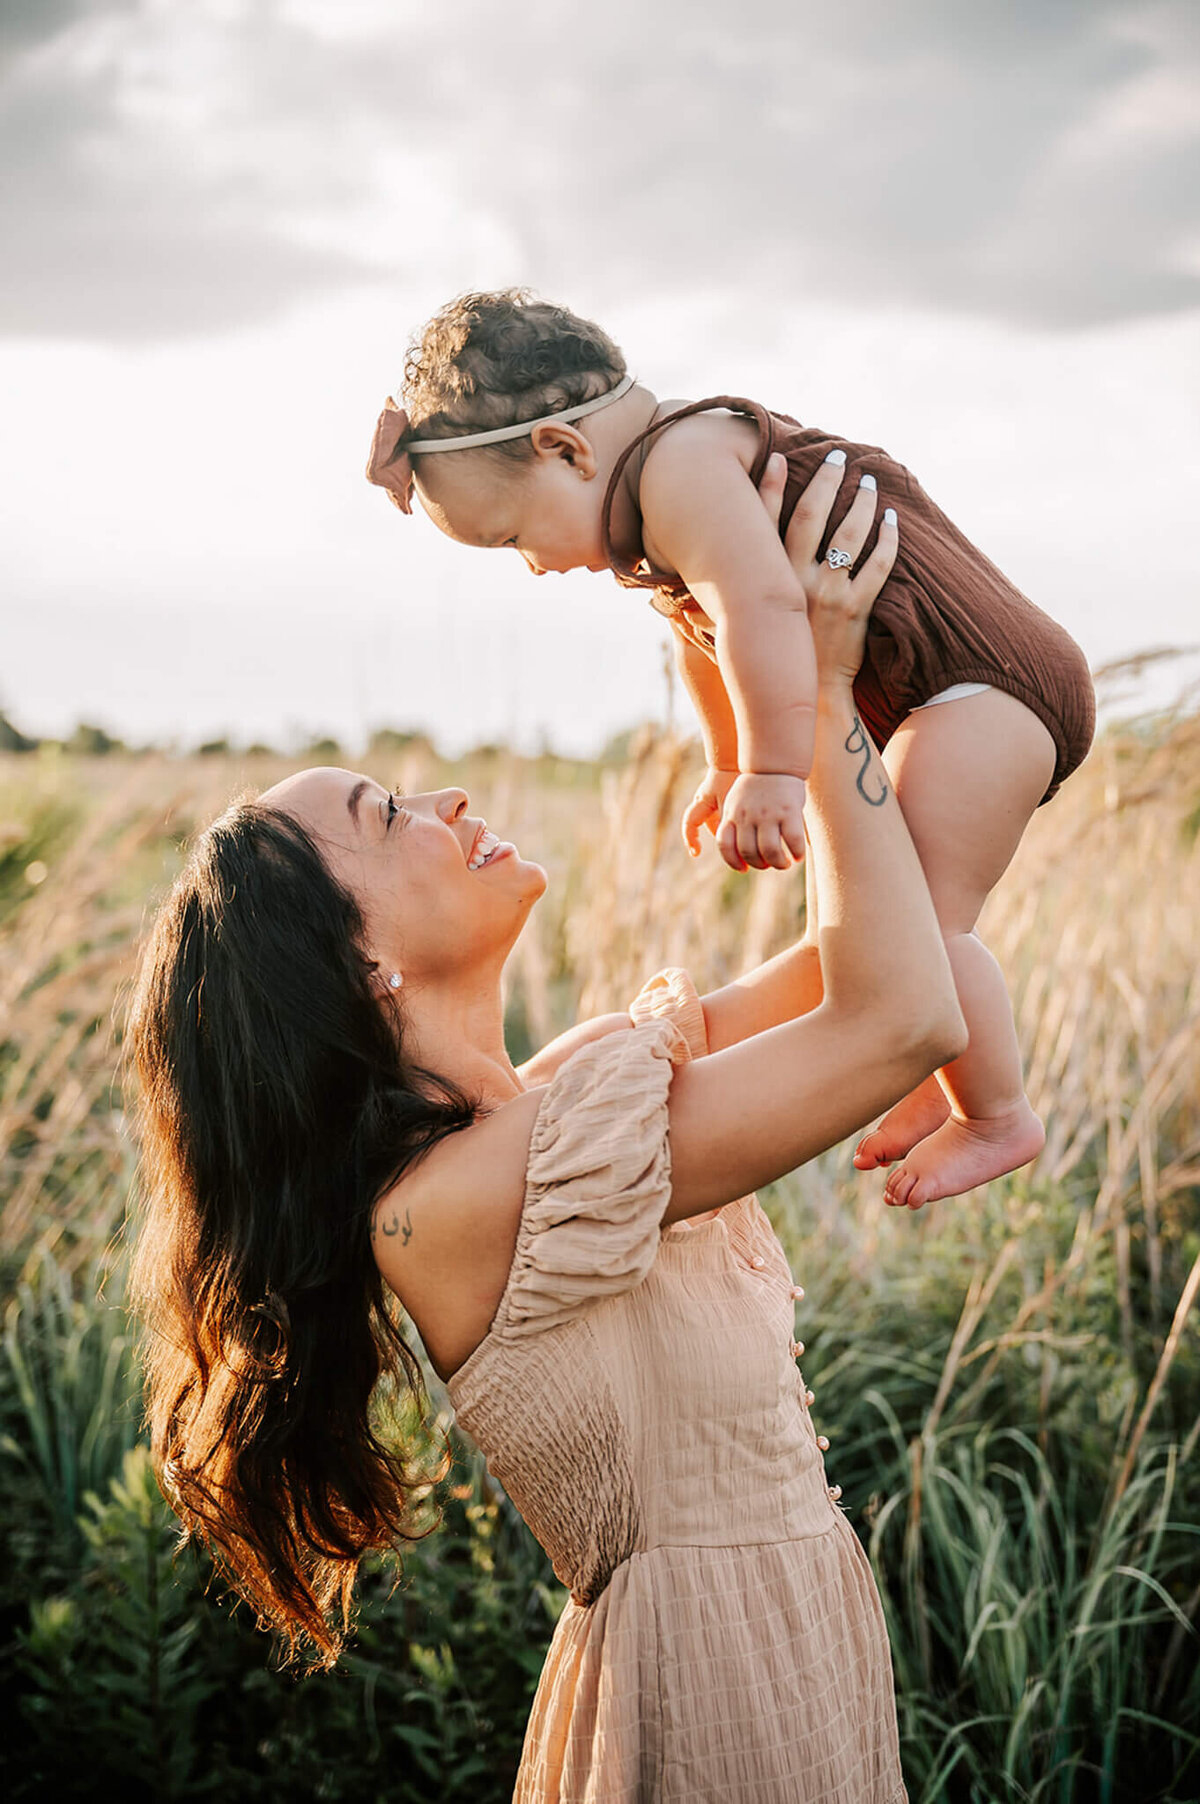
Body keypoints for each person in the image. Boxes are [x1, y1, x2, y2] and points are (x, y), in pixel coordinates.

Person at [129, 460, 965, 1803]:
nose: (446, 804)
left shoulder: (573, 1093)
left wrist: (770, 638)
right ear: (358, 964)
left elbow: (890, 944)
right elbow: (902, 1016)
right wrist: (809, 697)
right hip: (707, 1695)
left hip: (798, 1643)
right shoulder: (447, 1204)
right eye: (386, 817)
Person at [365, 289, 1094, 1209]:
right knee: (888, 933)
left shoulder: (683, 465)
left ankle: (997, 1116)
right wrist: (724, 758)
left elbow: (765, 609)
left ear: (565, 449)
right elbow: (703, 631)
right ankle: (932, 1067)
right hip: (950, 692)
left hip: (980, 687)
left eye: (513, 536)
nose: (533, 565)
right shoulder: (656, 505)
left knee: (923, 927)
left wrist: (773, 770)